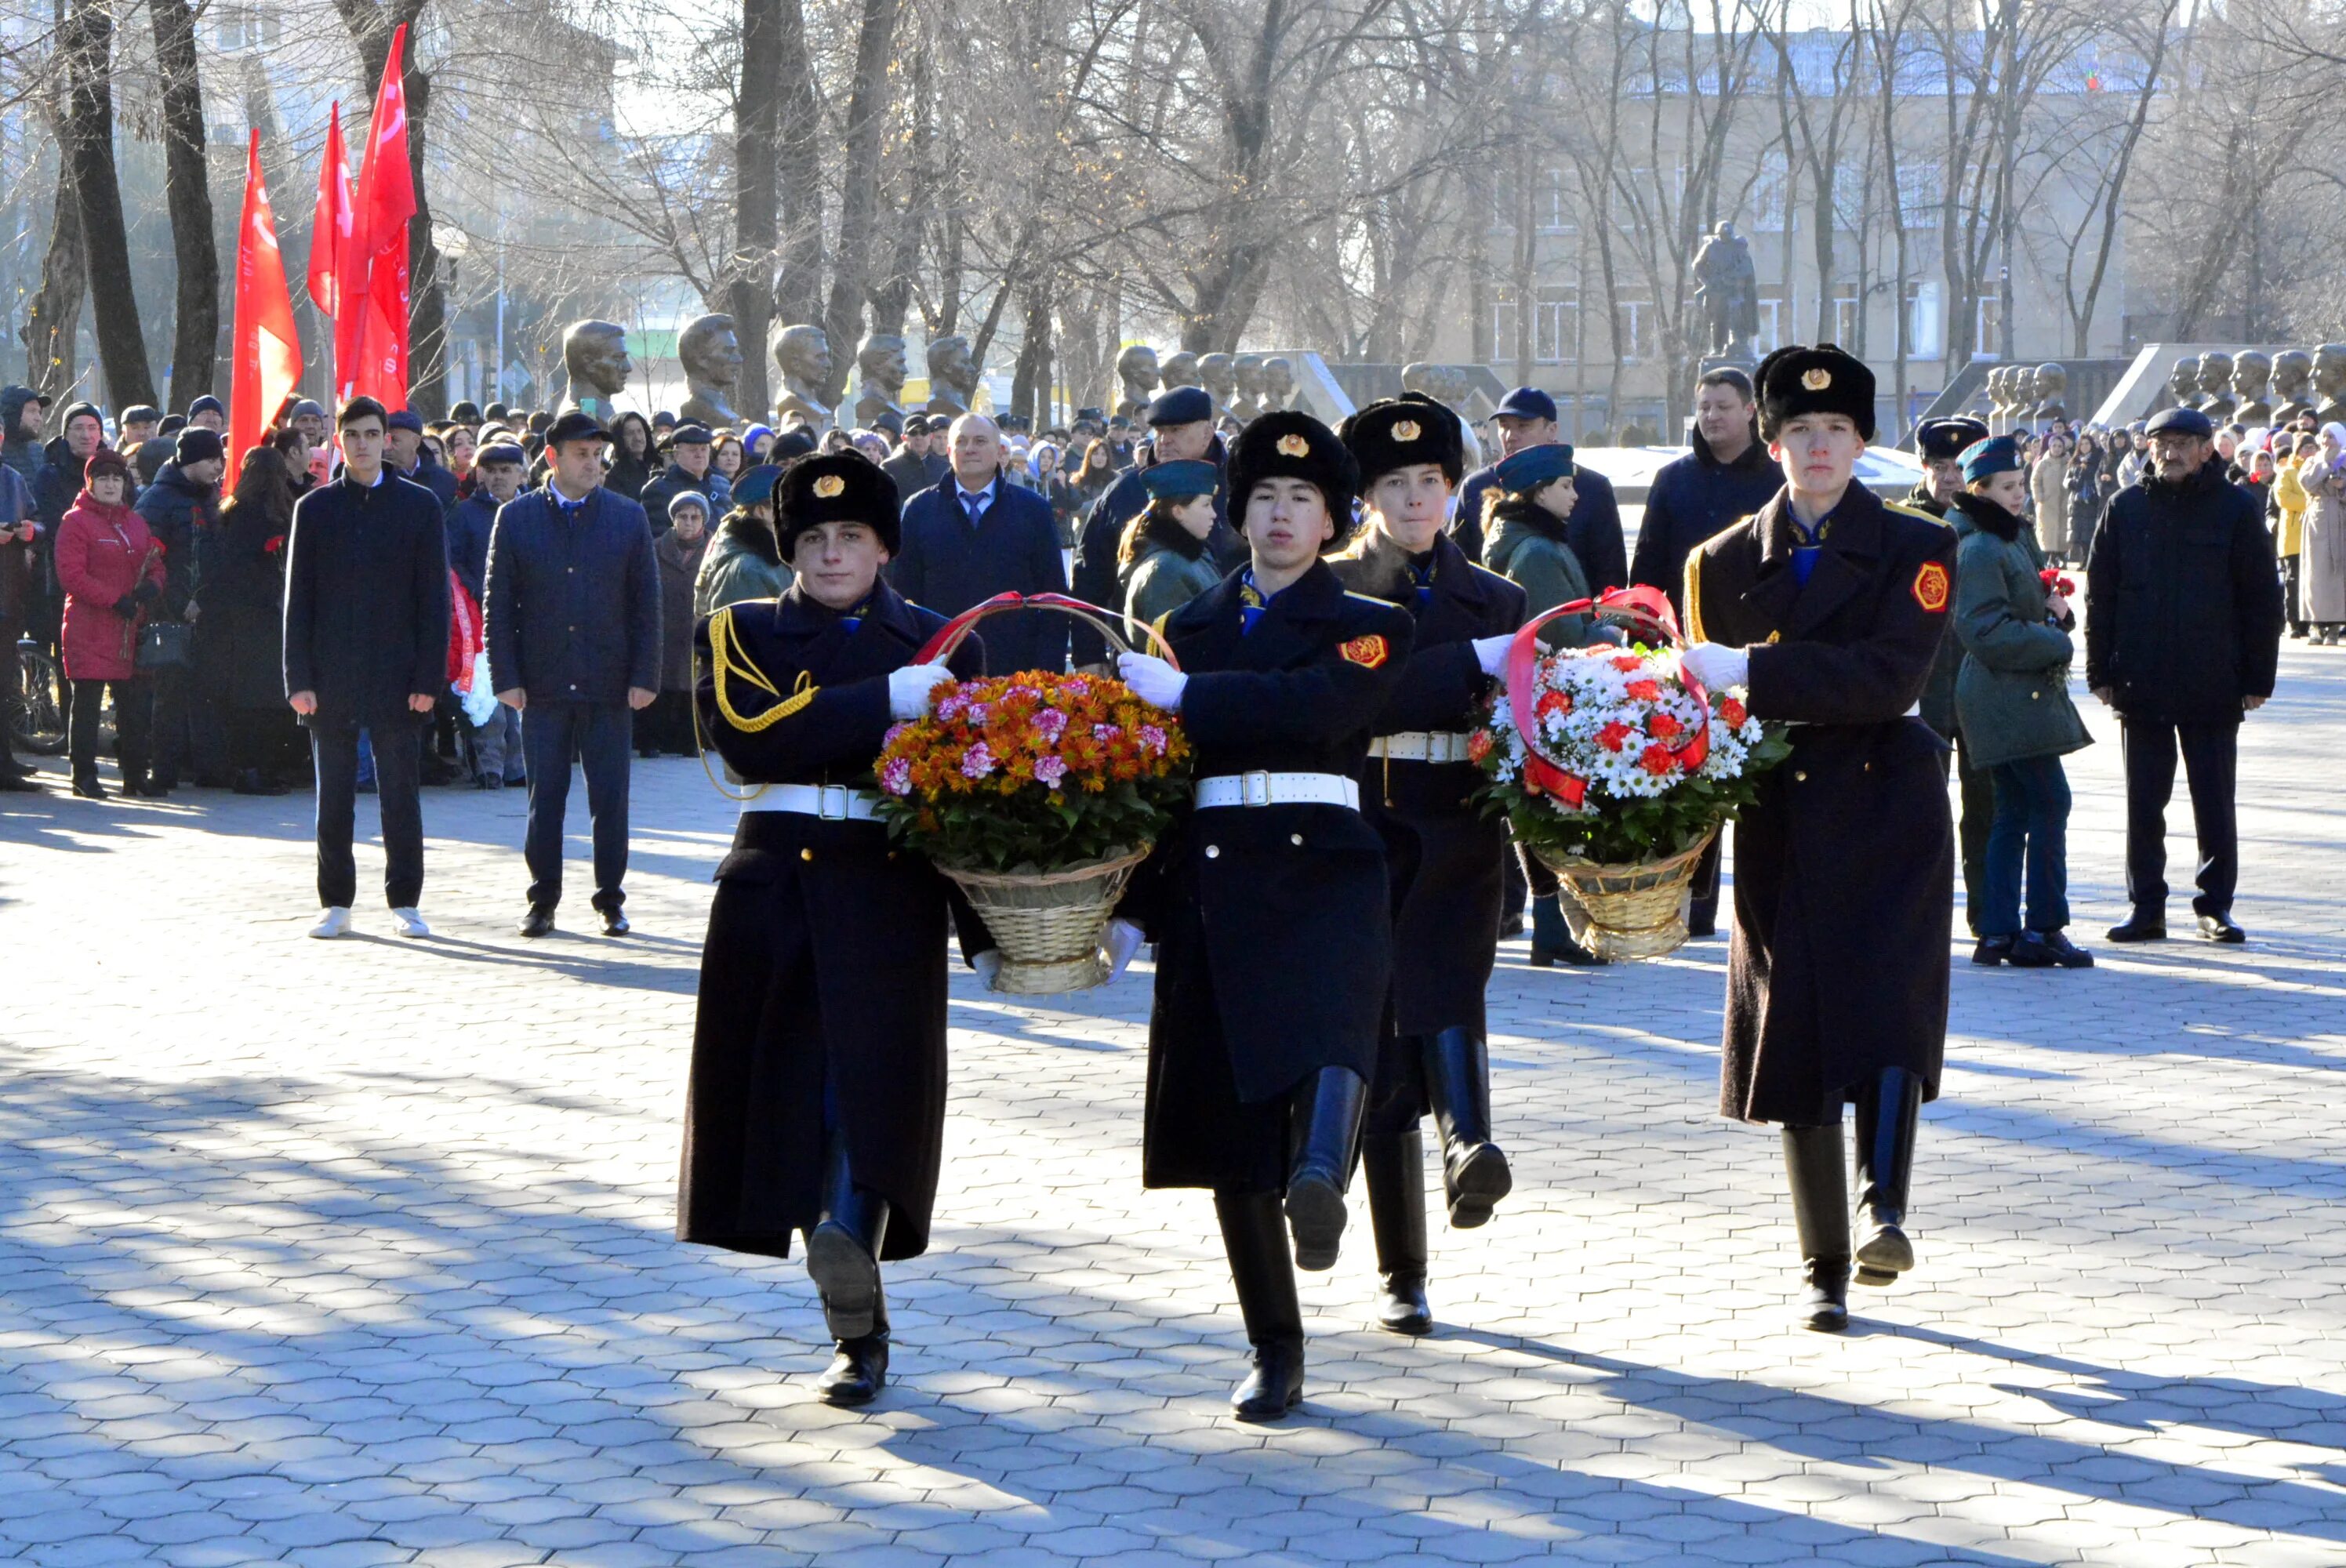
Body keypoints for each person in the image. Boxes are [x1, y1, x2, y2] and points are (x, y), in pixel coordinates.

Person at [1108, 411, 1414, 1421]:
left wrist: (1190, 696)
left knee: (1334, 1028)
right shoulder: (1186, 626)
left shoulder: (1371, 618)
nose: (1281, 516)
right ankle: (1272, 1347)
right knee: (1229, 1127)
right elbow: (1156, 784)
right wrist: (1130, 908)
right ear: (1237, 514)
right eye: (1264, 499)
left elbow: (1314, 707)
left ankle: (1321, 1175)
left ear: (1331, 521)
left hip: (1324, 860)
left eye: (1303, 500)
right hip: (1210, 873)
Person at [677, 451, 990, 1407]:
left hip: (889, 887)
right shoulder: (738, 630)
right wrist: (876, 705)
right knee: (792, 1098)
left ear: (883, 544)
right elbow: (754, 734)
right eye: (812, 539)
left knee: (871, 1092)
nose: (831, 553)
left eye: (851, 535)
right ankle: (853, 1319)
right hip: (774, 886)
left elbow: (968, 788)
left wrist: (992, 926)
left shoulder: (943, 643)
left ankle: (852, 1262)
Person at [1676, 344, 1957, 1333]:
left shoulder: (1919, 547)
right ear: (1771, 437)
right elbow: (1703, 706)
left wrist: (1751, 669)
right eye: (1799, 430)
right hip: (1781, 813)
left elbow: (1889, 679)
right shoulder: (1716, 561)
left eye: (1836, 430)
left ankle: (1885, 1208)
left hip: (1887, 804)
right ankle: (1821, 1265)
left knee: (1887, 1004)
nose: (1817, 447)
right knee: (1791, 1031)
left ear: (1862, 440)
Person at [1331, 394, 1527, 1338]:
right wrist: (1464, 669)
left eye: (1431, 483)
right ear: (1367, 496)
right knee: (1379, 1036)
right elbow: (1352, 696)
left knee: (1451, 986)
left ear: (1455, 491)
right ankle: (1400, 1271)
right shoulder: (1329, 590)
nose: (1415, 501)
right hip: (1366, 819)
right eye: (1395, 484)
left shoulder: (1496, 597)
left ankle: (1471, 1147)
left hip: (1458, 822)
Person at [2087, 405, 2284, 944]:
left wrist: (2257, 678)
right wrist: (2099, 670)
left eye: (2182, 443)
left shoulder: (2236, 510)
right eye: (2161, 442)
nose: (2170, 452)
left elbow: (2262, 600)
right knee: (2143, 803)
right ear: (2149, 449)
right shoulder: (2124, 509)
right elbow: (2100, 596)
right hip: (2142, 679)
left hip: (2212, 680)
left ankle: (2215, 905)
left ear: (2205, 450)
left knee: (2214, 801)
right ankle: (2145, 906)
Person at [485, 410, 662, 938]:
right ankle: (543, 900)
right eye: (581, 454)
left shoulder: (627, 517)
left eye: (597, 454)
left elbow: (646, 605)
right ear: (552, 457)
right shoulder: (516, 519)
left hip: (609, 682)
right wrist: (505, 677)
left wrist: (645, 675)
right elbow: (499, 608)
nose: (593, 464)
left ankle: (611, 898)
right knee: (547, 799)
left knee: (610, 798)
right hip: (542, 682)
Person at [281, 397, 451, 938]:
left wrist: (429, 679)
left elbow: (434, 601)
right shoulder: (316, 509)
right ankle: (335, 902)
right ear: (338, 440)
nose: (361, 444)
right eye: (351, 434)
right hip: (330, 675)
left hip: (399, 676)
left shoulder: (420, 507)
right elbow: (297, 601)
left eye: (372, 434)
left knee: (400, 794)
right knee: (333, 796)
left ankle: (406, 900)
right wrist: (298, 679)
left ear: (389, 440)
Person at [1628, 367, 1783, 938]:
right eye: (1704, 407)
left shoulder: (1775, 480)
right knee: (1690, 778)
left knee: (1757, 780)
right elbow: (1647, 567)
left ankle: (1764, 905)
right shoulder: (1674, 481)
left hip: (1756, 654)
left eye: (1722, 406)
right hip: (1681, 654)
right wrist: (1643, 648)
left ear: (1750, 412)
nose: (1711, 416)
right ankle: (1692, 906)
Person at [1946, 435, 2092, 969]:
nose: (2019, 496)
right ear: (1978, 489)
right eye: (2007, 487)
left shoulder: (2006, 538)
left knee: (2013, 809)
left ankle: (2000, 931)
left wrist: (2053, 611)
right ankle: (2044, 928)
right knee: (2050, 801)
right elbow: (1983, 629)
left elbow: (2018, 610)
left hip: (2007, 692)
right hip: (2002, 693)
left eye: (2020, 485)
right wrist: (2055, 636)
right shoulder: (1982, 545)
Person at [1477, 443, 1603, 966]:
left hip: (1529, 699)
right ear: (1539, 492)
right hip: (1549, 700)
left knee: (1538, 814)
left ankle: (1552, 930)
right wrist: (1607, 630)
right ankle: (1553, 930)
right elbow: (1561, 634)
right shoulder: (1539, 553)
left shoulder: (1525, 541)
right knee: (1552, 812)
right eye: (1565, 486)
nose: (1575, 495)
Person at [888, 413, 1070, 675]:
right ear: (949, 451)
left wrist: (1048, 671)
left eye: (980, 441)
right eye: (961, 442)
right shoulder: (920, 509)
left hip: (1016, 671)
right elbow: (904, 594)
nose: (970, 448)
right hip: (941, 666)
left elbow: (1053, 596)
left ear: (999, 451)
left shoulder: (1033, 510)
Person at [1071, 387, 1239, 666]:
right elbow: (1089, 579)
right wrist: (1088, 656)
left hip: (1231, 662)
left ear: (1208, 432)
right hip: (1137, 662)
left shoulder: (1243, 488)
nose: (1164, 441)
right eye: (1159, 432)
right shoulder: (1125, 492)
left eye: (1176, 430)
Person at [1904, 415, 1993, 936]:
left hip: (1982, 684)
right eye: (1941, 465)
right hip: (1926, 684)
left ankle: (1988, 914)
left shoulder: (1994, 517)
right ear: (1924, 466)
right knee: (1923, 812)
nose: (1951, 478)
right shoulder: (1903, 523)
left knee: (1986, 808)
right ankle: (1923, 918)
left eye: (1961, 466)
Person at [55, 450, 165, 799]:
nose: (110, 484)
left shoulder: (135, 522)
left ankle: (135, 774)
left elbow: (155, 564)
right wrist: (114, 599)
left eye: (117, 478)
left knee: (134, 705)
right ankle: (83, 775)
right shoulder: (75, 522)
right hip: (90, 627)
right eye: (102, 478)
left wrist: (152, 586)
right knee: (87, 704)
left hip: (129, 627)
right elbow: (71, 575)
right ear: (90, 483)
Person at [196, 445, 303, 795]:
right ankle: (264, 769)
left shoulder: (231, 511)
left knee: (247, 697)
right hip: (269, 613)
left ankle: (249, 768)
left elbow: (226, 565)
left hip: (239, 616)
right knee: (269, 697)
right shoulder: (279, 512)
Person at [1451, 390, 1624, 593]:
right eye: (1503, 426)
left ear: (1552, 430)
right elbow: (1457, 568)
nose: (1510, 436)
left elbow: (1611, 575)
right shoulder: (1477, 487)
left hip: (1575, 618)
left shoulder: (1591, 488)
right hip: (1496, 619)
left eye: (1523, 426)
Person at [135, 426, 227, 792]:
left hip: (206, 610)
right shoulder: (157, 499)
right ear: (191, 460)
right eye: (212, 459)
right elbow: (146, 557)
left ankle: (210, 768)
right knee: (169, 696)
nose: (219, 466)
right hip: (168, 613)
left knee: (208, 693)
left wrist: (204, 600)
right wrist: (175, 602)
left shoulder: (212, 496)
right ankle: (164, 771)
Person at [445, 441, 528, 788]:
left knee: (521, 693)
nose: (497, 477)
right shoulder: (465, 514)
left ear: (521, 474)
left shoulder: (534, 510)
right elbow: (451, 560)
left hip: (525, 616)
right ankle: (489, 764)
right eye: (490, 470)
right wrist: (476, 588)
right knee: (485, 694)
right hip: (478, 617)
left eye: (505, 471)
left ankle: (518, 765)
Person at [1118, 459, 1224, 626]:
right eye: (1206, 505)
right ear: (1178, 511)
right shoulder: (1164, 571)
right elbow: (1174, 645)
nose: (1213, 514)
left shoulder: (1191, 555)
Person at [646, 491, 710, 757]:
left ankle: (691, 741)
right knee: (659, 682)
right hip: (663, 626)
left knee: (691, 684)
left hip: (696, 627)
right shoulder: (655, 548)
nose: (688, 522)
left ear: (704, 521)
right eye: (682, 516)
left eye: (695, 517)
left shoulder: (713, 550)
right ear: (673, 519)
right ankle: (651, 741)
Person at [695, 463, 791, 616]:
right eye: (785, 505)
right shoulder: (747, 570)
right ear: (761, 511)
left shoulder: (773, 552)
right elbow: (746, 635)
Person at [2296, 423, 2346, 646]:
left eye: (2331, 437)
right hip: (2316, 520)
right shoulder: (2312, 461)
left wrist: (2342, 487)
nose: (2326, 441)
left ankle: (2335, 626)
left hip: (2339, 517)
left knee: (2338, 572)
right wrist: (2325, 464)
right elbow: (2306, 482)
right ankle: (2315, 625)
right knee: (2315, 573)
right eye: (2324, 436)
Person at [639, 423, 731, 533]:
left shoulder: (722, 484)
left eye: (703, 449)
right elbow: (660, 539)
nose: (699, 455)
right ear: (677, 455)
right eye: (693, 450)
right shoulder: (659, 491)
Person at [2272, 433, 2313, 639]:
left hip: (2315, 535)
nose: (2309, 451)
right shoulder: (2287, 471)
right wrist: (2312, 504)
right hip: (2293, 536)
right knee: (2293, 580)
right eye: (2305, 448)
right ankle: (2294, 622)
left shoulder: (2319, 468)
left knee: (2311, 581)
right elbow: (2283, 497)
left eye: (2312, 447)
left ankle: (2311, 622)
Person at [386, 410, 459, 514]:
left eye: (394, 440)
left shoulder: (444, 480)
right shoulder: (378, 479)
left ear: (416, 442)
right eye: (385, 440)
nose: (387, 447)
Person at [2030, 429, 2072, 565]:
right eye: (2054, 446)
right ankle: (2050, 556)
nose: (2057, 449)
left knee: (2064, 529)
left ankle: (2062, 554)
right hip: (2047, 503)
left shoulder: (2069, 462)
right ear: (2049, 447)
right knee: (2048, 531)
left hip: (2065, 502)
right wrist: (2039, 497)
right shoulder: (2043, 463)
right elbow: (2035, 481)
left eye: (2060, 446)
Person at [881, 414, 937, 499]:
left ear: (931, 436)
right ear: (904, 438)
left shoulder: (945, 467)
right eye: (913, 433)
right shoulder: (890, 468)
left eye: (924, 432)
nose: (919, 437)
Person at [604, 412, 656, 501]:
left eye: (640, 431)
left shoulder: (657, 466)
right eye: (630, 433)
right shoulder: (614, 478)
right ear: (619, 438)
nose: (638, 438)